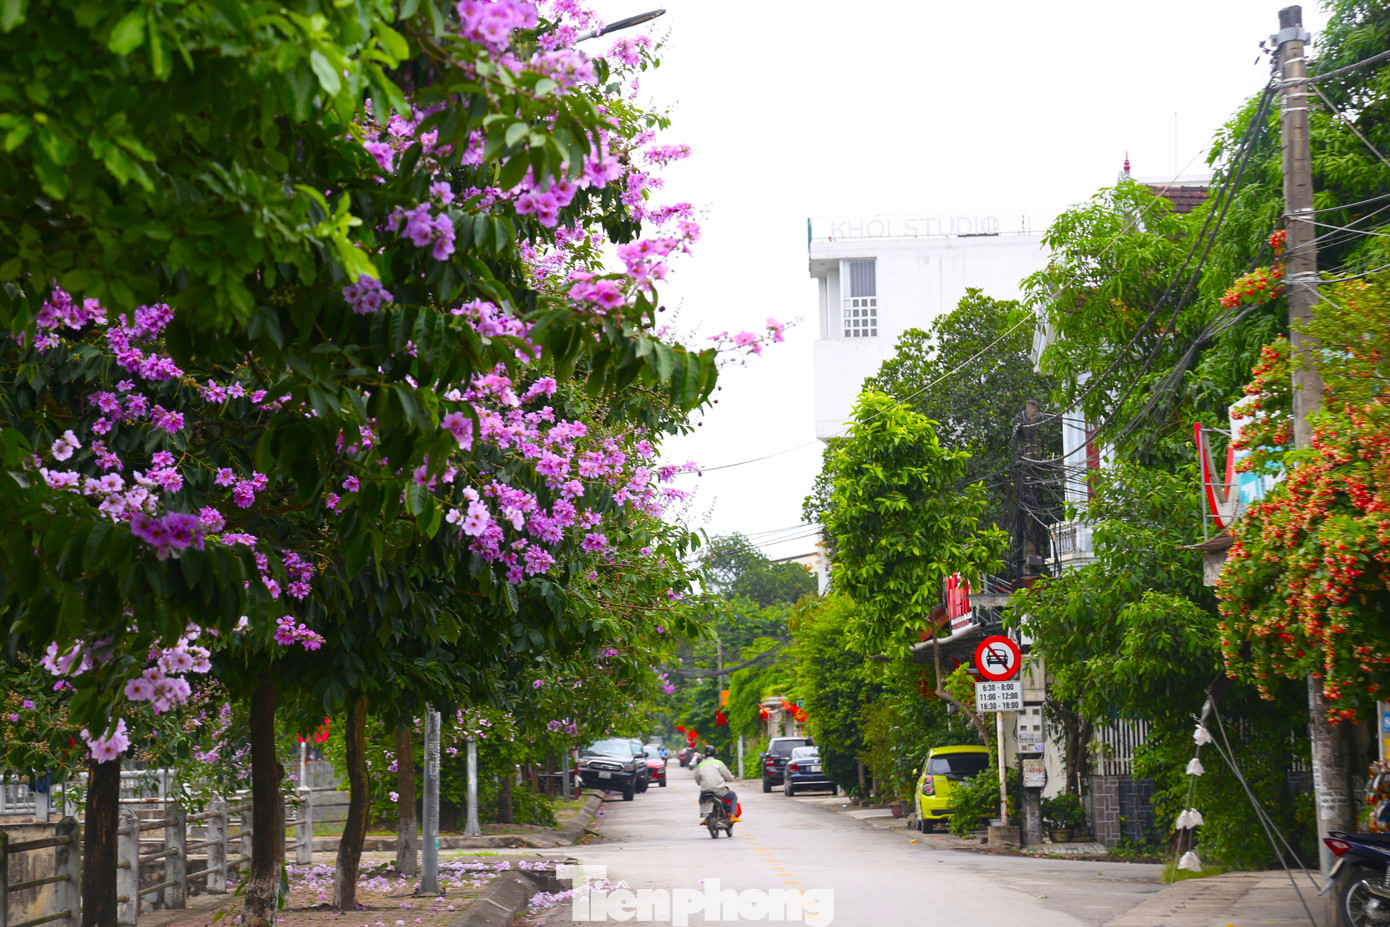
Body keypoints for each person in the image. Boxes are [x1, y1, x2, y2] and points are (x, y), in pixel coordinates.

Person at [693, 745, 740, 823]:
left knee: (701, 800)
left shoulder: (700, 765)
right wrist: (731, 778)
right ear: (714, 754)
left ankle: (706, 817)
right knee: (733, 796)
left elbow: (697, 779)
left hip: (705, 791)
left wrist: (699, 783)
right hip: (719, 791)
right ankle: (732, 815)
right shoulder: (719, 763)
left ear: (705, 754)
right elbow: (727, 775)